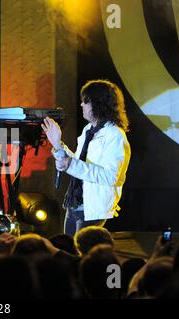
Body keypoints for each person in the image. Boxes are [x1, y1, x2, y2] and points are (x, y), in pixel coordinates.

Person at [41, 79, 131, 236]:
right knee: (68, 253)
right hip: (75, 204)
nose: (81, 105)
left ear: (98, 104)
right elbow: (79, 163)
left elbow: (110, 177)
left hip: (93, 209)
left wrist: (70, 164)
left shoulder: (114, 135)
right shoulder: (88, 130)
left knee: (81, 256)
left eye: (85, 101)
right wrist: (57, 144)